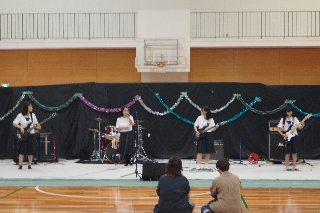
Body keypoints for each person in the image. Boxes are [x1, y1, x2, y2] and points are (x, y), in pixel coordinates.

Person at [13, 101, 41, 169]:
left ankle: (29, 165)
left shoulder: (33, 115)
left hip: (31, 134)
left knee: (31, 150)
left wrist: (38, 127)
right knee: (21, 150)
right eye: (30, 106)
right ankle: (20, 165)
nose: (32, 108)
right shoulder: (20, 115)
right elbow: (14, 123)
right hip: (23, 135)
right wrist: (20, 127)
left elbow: (37, 124)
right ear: (26, 107)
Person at [277, 106, 305, 171]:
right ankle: (287, 166)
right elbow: (278, 128)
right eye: (288, 112)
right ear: (286, 112)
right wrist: (283, 134)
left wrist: (303, 124)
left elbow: (300, 127)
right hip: (287, 136)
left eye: (291, 111)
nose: (290, 113)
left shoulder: (295, 119)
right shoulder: (283, 119)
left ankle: (294, 166)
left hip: (294, 136)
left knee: (294, 152)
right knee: (287, 152)